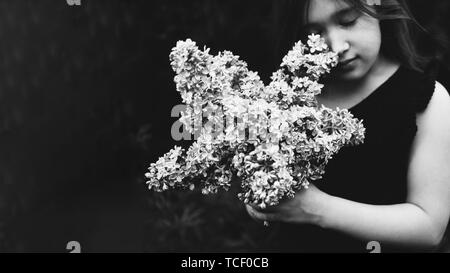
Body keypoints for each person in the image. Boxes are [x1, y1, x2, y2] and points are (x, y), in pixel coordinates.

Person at [246, 0, 450, 252]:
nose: (336, 47)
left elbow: (429, 229)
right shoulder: (292, 95)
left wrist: (315, 208)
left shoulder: (429, 100)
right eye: (314, 33)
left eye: (348, 21)